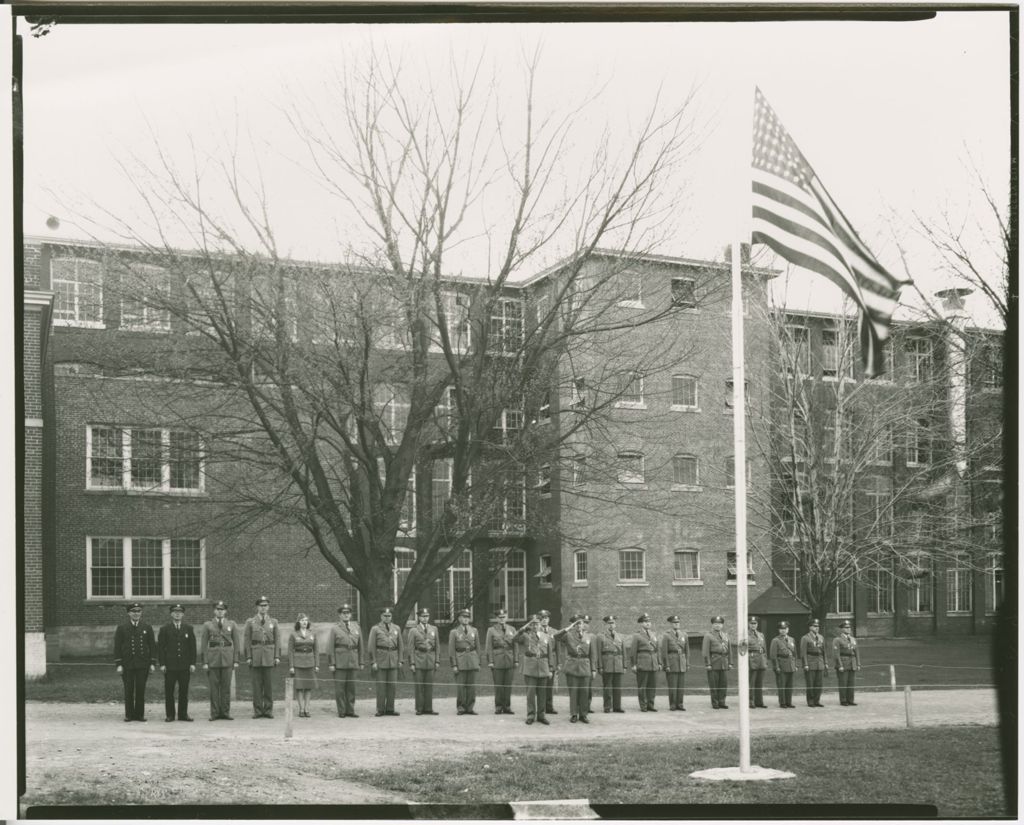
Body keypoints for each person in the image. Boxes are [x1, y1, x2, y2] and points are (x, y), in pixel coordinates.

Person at [114, 602, 157, 722]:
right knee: (128, 690)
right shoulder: (122, 628)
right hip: (127, 664)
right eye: (133, 611)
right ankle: (129, 714)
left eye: (138, 611)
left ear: (141, 613)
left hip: (142, 664)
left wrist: (152, 663)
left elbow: (152, 646)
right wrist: (119, 664)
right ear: (129, 613)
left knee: (140, 689)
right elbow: (117, 647)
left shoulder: (147, 627)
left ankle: (140, 714)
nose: (136, 614)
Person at [200, 600, 239, 721]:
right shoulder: (208, 625)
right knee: (214, 688)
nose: (220, 611)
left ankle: (225, 712)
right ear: (214, 611)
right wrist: (205, 662)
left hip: (227, 659)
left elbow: (236, 643)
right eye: (217, 609)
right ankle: (215, 713)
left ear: (225, 611)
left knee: (226, 687)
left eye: (222, 609)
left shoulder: (232, 624)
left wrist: (236, 660)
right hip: (213, 660)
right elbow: (203, 644)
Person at [553, 614, 595, 723]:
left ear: (583, 625)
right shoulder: (568, 635)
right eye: (576, 624)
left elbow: (592, 654)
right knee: (573, 692)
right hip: (572, 666)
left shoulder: (590, 636)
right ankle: (574, 714)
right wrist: (567, 628)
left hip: (585, 666)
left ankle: (583, 714)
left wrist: (593, 669)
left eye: (580, 623)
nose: (578, 626)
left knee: (584, 692)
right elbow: (556, 637)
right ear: (573, 625)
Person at [157, 604, 196, 722]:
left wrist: (192, 663)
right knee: (169, 691)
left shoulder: (189, 628)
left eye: (180, 612)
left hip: (184, 666)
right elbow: (160, 648)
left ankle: (183, 714)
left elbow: (192, 648)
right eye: (175, 612)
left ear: (183, 614)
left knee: (183, 691)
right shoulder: (164, 629)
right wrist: (162, 664)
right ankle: (170, 715)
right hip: (170, 666)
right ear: (171, 614)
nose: (177, 614)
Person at [244, 595, 280, 719]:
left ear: (268, 607)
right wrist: (248, 656)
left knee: (268, 685)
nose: (263, 608)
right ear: (257, 607)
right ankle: (258, 710)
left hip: (269, 656)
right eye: (261, 606)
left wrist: (276, 656)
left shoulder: (273, 622)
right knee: (257, 685)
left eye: (265, 606)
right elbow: (247, 640)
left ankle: (268, 710)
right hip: (256, 656)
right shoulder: (251, 622)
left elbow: (277, 640)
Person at [514, 614, 553, 725]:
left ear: (540, 624)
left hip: (543, 666)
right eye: (533, 624)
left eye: (537, 623)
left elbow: (550, 653)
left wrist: (550, 668)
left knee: (542, 693)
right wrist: (521, 630)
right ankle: (531, 715)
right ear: (529, 625)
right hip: (530, 667)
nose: (535, 626)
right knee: (530, 693)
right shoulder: (525, 636)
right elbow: (514, 639)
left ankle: (541, 715)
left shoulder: (546, 636)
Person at [327, 604, 364, 718]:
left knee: (351, 688)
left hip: (353, 661)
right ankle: (342, 711)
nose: (346, 615)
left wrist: (361, 661)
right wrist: (332, 663)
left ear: (350, 615)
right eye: (344, 613)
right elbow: (330, 648)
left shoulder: (356, 627)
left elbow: (361, 646)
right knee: (340, 688)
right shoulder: (335, 628)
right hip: (340, 662)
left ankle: (350, 710)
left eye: (348, 613)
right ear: (340, 615)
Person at [367, 606, 403, 716]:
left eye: (389, 616)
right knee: (381, 686)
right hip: (381, 660)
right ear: (381, 616)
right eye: (385, 616)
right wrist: (373, 661)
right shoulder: (375, 629)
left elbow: (401, 646)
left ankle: (390, 709)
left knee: (392, 686)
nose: (387, 618)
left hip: (393, 659)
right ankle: (380, 709)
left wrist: (400, 660)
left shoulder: (396, 628)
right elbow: (371, 646)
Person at [406, 607, 440, 715]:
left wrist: (437, 661)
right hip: (418, 659)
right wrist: (412, 662)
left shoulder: (434, 629)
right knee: (419, 686)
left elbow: (437, 646)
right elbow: (410, 647)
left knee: (429, 685)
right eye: (423, 616)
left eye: (427, 616)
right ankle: (419, 708)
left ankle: (428, 708)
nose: (425, 618)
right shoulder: (413, 630)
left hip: (430, 659)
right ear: (419, 617)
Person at [484, 609, 518, 714]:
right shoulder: (491, 630)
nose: (502, 619)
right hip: (497, 660)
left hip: (509, 660)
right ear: (496, 618)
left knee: (508, 685)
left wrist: (516, 660)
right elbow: (488, 647)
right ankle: (498, 706)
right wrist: (490, 661)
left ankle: (507, 706)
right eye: (500, 617)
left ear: (506, 617)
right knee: (498, 685)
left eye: (504, 617)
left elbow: (515, 646)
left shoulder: (512, 629)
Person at [449, 608, 480, 715]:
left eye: (467, 617)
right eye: (463, 617)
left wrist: (478, 662)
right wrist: (454, 664)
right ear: (459, 619)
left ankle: (470, 707)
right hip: (460, 660)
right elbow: (451, 650)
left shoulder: (474, 631)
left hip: (472, 660)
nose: (466, 619)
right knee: (461, 686)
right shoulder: (454, 632)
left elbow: (478, 648)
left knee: (471, 686)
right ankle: (461, 707)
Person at [288, 613, 319, 717]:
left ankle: (307, 708)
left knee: (308, 687)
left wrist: (317, 664)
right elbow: (290, 651)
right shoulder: (294, 634)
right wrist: (291, 666)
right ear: (298, 622)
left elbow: (316, 650)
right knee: (300, 687)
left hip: (310, 663)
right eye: (302, 620)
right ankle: (301, 709)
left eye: (306, 620)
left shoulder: (312, 633)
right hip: (298, 663)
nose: (304, 622)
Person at [628, 613, 660, 712]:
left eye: (649, 622)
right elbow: (633, 652)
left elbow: (657, 650)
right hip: (642, 663)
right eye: (645, 622)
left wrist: (659, 663)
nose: (648, 623)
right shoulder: (637, 636)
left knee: (652, 686)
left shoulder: (653, 634)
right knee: (642, 686)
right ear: (641, 623)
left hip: (653, 663)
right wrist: (633, 664)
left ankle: (651, 704)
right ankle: (643, 705)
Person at [594, 615, 626, 713]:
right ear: (605, 625)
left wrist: (624, 665)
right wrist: (600, 666)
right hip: (607, 664)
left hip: (618, 664)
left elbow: (623, 652)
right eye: (609, 623)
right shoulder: (600, 636)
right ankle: (607, 706)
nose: (611, 625)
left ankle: (617, 706)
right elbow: (598, 653)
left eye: (613, 623)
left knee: (618, 687)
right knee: (607, 686)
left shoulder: (620, 636)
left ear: (615, 625)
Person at [659, 615, 688, 711]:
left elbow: (687, 651)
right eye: (674, 623)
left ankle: (680, 704)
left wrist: (687, 663)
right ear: (671, 624)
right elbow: (664, 652)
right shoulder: (667, 635)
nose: (676, 624)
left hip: (681, 662)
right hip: (672, 662)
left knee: (681, 686)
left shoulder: (684, 635)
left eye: (678, 622)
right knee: (672, 685)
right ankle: (672, 704)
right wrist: (666, 665)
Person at [702, 615, 732, 709]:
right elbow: (705, 651)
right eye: (715, 624)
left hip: (724, 662)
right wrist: (708, 664)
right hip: (714, 662)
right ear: (712, 625)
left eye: (720, 624)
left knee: (723, 683)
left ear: (722, 625)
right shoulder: (708, 635)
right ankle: (715, 703)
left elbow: (730, 650)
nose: (718, 626)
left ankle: (722, 702)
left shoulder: (725, 635)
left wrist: (730, 663)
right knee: (714, 684)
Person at [800, 618, 828, 707]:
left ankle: (817, 700)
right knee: (810, 683)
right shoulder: (805, 638)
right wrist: (805, 664)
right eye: (815, 626)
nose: (817, 628)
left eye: (818, 626)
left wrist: (825, 662)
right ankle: (810, 701)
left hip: (819, 662)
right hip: (810, 662)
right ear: (810, 627)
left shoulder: (821, 637)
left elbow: (824, 652)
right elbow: (803, 653)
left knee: (819, 684)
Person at [769, 620, 797, 708]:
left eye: (785, 629)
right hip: (781, 665)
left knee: (790, 685)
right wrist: (776, 666)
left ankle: (789, 702)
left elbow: (795, 654)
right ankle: (783, 702)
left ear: (788, 629)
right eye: (781, 629)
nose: (783, 630)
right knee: (782, 685)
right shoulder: (775, 640)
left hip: (790, 665)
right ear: (779, 630)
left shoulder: (791, 639)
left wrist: (795, 665)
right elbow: (773, 656)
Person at [833, 619, 861, 706]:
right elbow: (836, 654)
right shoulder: (837, 640)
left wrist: (858, 663)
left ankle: (850, 700)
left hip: (852, 663)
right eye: (846, 627)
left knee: (851, 683)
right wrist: (839, 665)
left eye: (849, 627)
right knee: (843, 682)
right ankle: (843, 700)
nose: (848, 629)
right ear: (842, 629)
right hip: (843, 662)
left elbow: (856, 652)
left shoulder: (853, 639)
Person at [537, 610, 559, 715]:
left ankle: (549, 707)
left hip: (552, 659)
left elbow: (558, 648)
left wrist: (558, 663)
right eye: (542, 618)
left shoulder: (554, 632)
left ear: (549, 619)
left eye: (546, 618)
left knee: (550, 685)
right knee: (541, 685)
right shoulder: (536, 631)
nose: (544, 620)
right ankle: (541, 707)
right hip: (541, 660)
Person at [746, 615, 768, 709]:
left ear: (757, 624)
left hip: (761, 660)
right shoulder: (745, 635)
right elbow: (743, 650)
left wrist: (765, 660)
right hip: (752, 659)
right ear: (748, 624)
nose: (753, 625)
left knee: (759, 682)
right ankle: (750, 701)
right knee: (751, 682)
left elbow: (764, 649)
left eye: (755, 623)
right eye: (751, 623)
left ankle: (759, 701)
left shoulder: (761, 635)